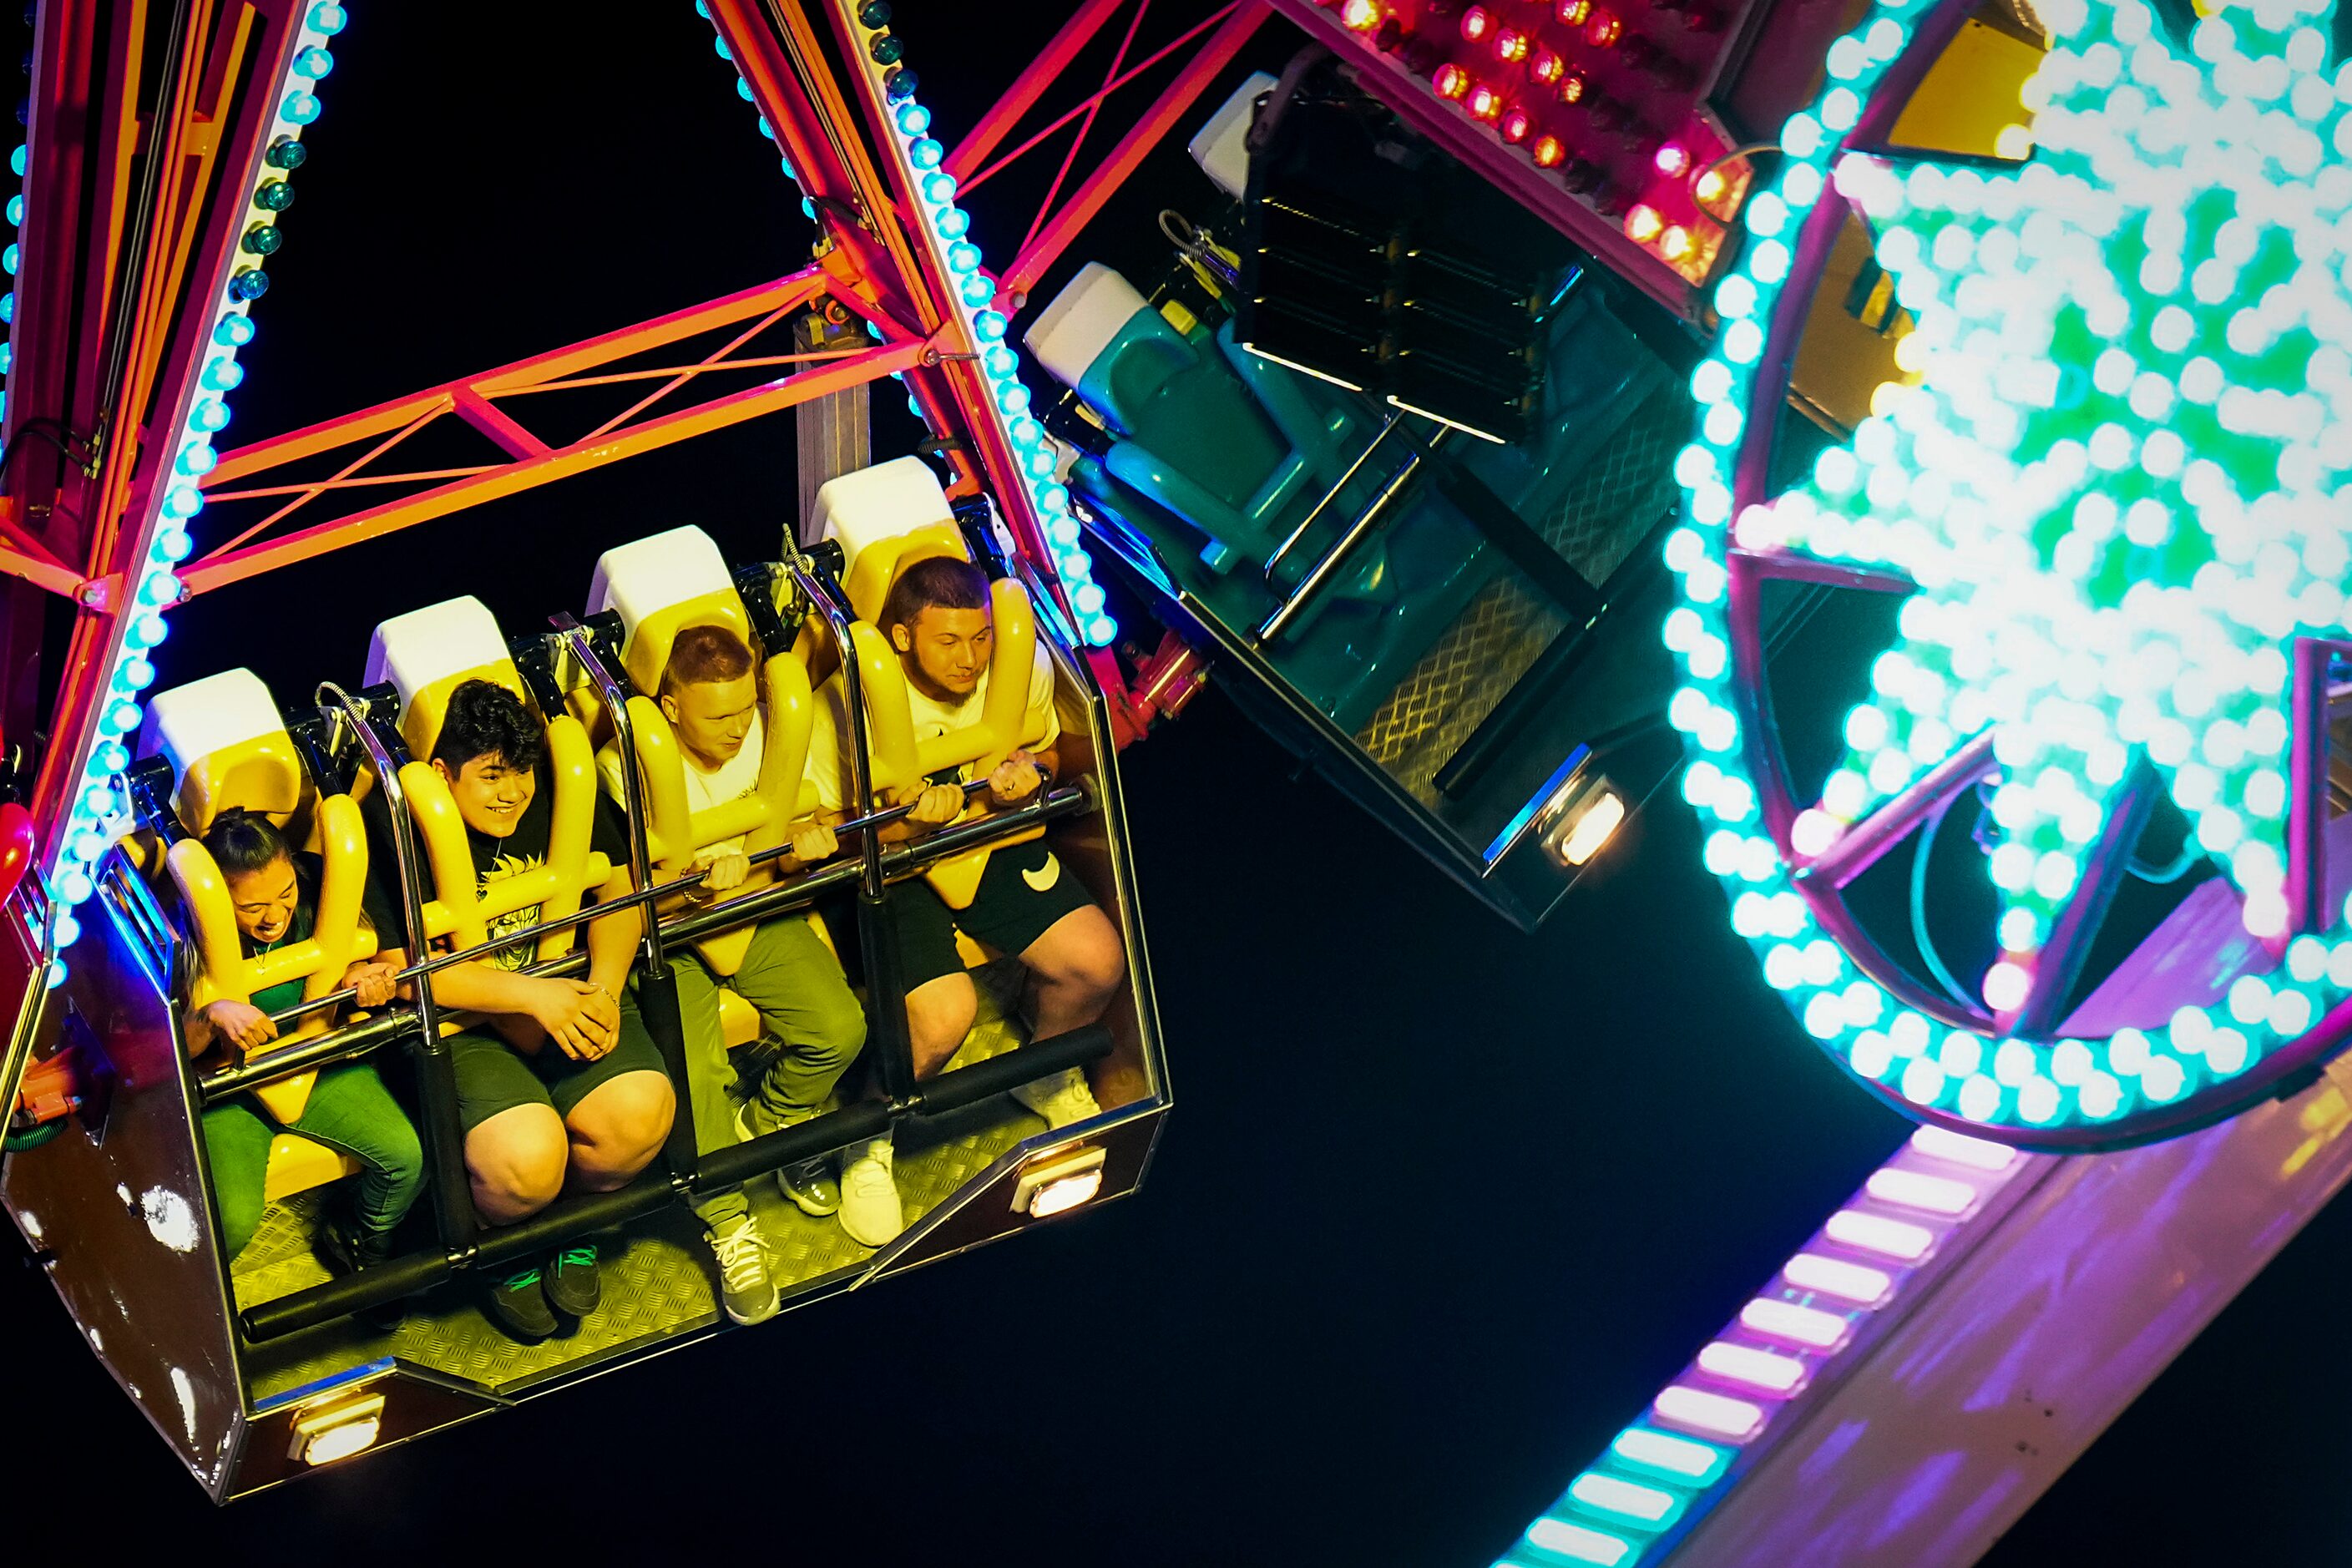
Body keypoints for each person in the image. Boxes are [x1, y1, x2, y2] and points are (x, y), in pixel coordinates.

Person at [805, 555, 1126, 1245]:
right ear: (899, 636)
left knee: (1096, 959)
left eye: (979, 637)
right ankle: (867, 1137)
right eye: (948, 641)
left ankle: (1043, 1071)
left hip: (985, 838)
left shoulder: (1016, 665)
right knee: (942, 1015)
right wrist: (906, 824)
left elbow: (1056, 750)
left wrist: (1029, 773)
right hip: (888, 864)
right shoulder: (842, 700)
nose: (971, 658)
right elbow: (821, 838)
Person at [362, 680, 675, 1341]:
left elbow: (619, 896)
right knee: (526, 1160)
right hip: (467, 1026)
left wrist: (605, 989)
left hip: (570, 990)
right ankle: (508, 1246)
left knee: (641, 1115)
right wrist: (533, 996)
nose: (513, 792)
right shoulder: (391, 821)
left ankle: (574, 1224)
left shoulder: (562, 791)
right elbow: (399, 968)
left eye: (523, 773)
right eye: (492, 775)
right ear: (443, 774)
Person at [604, 624, 869, 1315]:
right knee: (696, 1080)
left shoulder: (769, 733)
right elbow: (627, 886)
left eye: (744, 709)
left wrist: (807, 844)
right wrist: (691, 885)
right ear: (670, 706)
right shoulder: (619, 764)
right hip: (673, 936)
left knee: (840, 1028)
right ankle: (728, 1222)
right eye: (717, 715)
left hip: (755, 908)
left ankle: (770, 1124)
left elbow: (803, 821)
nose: (735, 728)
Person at [180, 810, 423, 1294]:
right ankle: (189, 1293)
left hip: (312, 1065)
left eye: (284, 893)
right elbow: (166, 1054)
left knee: (406, 1158)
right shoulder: (184, 931)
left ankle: (359, 1241)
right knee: (230, 1219)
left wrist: (361, 979)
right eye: (251, 907)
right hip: (230, 1089)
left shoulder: (318, 892)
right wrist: (211, 1016)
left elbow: (355, 958)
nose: (274, 917)